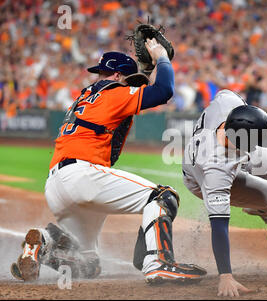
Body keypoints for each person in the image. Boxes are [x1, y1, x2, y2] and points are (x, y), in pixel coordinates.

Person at [11, 38, 206, 283]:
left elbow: (111, 144)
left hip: (57, 185)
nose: (132, 87)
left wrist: (142, 72)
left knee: (88, 266)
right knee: (163, 197)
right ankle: (158, 263)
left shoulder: (86, 96)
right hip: (82, 177)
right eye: (129, 81)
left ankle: (43, 243)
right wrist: (161, 57)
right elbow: (163, 91)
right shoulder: (115, 93)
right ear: (116, 76)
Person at [182, 89, 267, 297]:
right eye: (260, 140)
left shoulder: (228, 103)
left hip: (235, 152)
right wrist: (225, 276)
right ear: (247, 143)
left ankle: (257, 204)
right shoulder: (216, 169)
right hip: (203, 178)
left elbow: (247, 113)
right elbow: (219, 226)